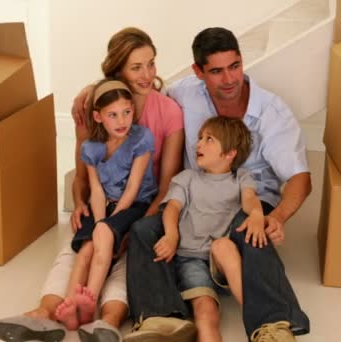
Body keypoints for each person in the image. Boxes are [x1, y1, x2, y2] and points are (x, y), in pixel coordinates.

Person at [0, 27, 185, 342]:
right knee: (78, 250)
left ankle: (105, 321)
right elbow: (83, 177)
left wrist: (139, 223)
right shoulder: (91, 106)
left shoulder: (169, 112)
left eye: (151, 63)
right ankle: (48, 313)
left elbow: (167, 183)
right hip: (104, 206)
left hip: (143, 207)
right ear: (118, 69)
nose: (148, 74)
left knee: (129, 255)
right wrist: (81, 204)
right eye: (137, 67)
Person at [124, 27, 311, 342]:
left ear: (241, 61)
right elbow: (140, 94)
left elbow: (300, 178)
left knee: (252, 229)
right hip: (195, 201)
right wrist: (92, 93)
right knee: (143, 230)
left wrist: (275, 217)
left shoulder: (271, 112)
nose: (229, 79)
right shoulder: (183, 93)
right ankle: (160, 317)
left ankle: (273, 324)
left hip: (246, 200)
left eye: (235, 66)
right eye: (216, 71)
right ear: (198, 72)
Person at [55, 79, 157, 331]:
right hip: (105, 204)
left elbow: (133, 187)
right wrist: (101, 221)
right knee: (87, 247)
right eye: (113, 115)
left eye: (127, 112)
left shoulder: (141, 139)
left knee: (101, 233)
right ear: (98, 117)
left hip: (135, 203)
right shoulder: (91, 147)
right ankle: (71, 306)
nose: (122, 121)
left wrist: (110, 225)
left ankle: (90, 299)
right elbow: (96, 189)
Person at [156, 116, 265, 342]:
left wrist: (256, 214)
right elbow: (172, 209)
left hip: (222, 260)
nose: (198, 144)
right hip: (191, 259)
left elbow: (250, 198)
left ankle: (260, 317)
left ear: (229, 153)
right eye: (199, 139)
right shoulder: (186, 178)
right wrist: (171, 235)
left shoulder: (241, 178)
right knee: (206, 311)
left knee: (223, 245)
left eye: (209, 139)